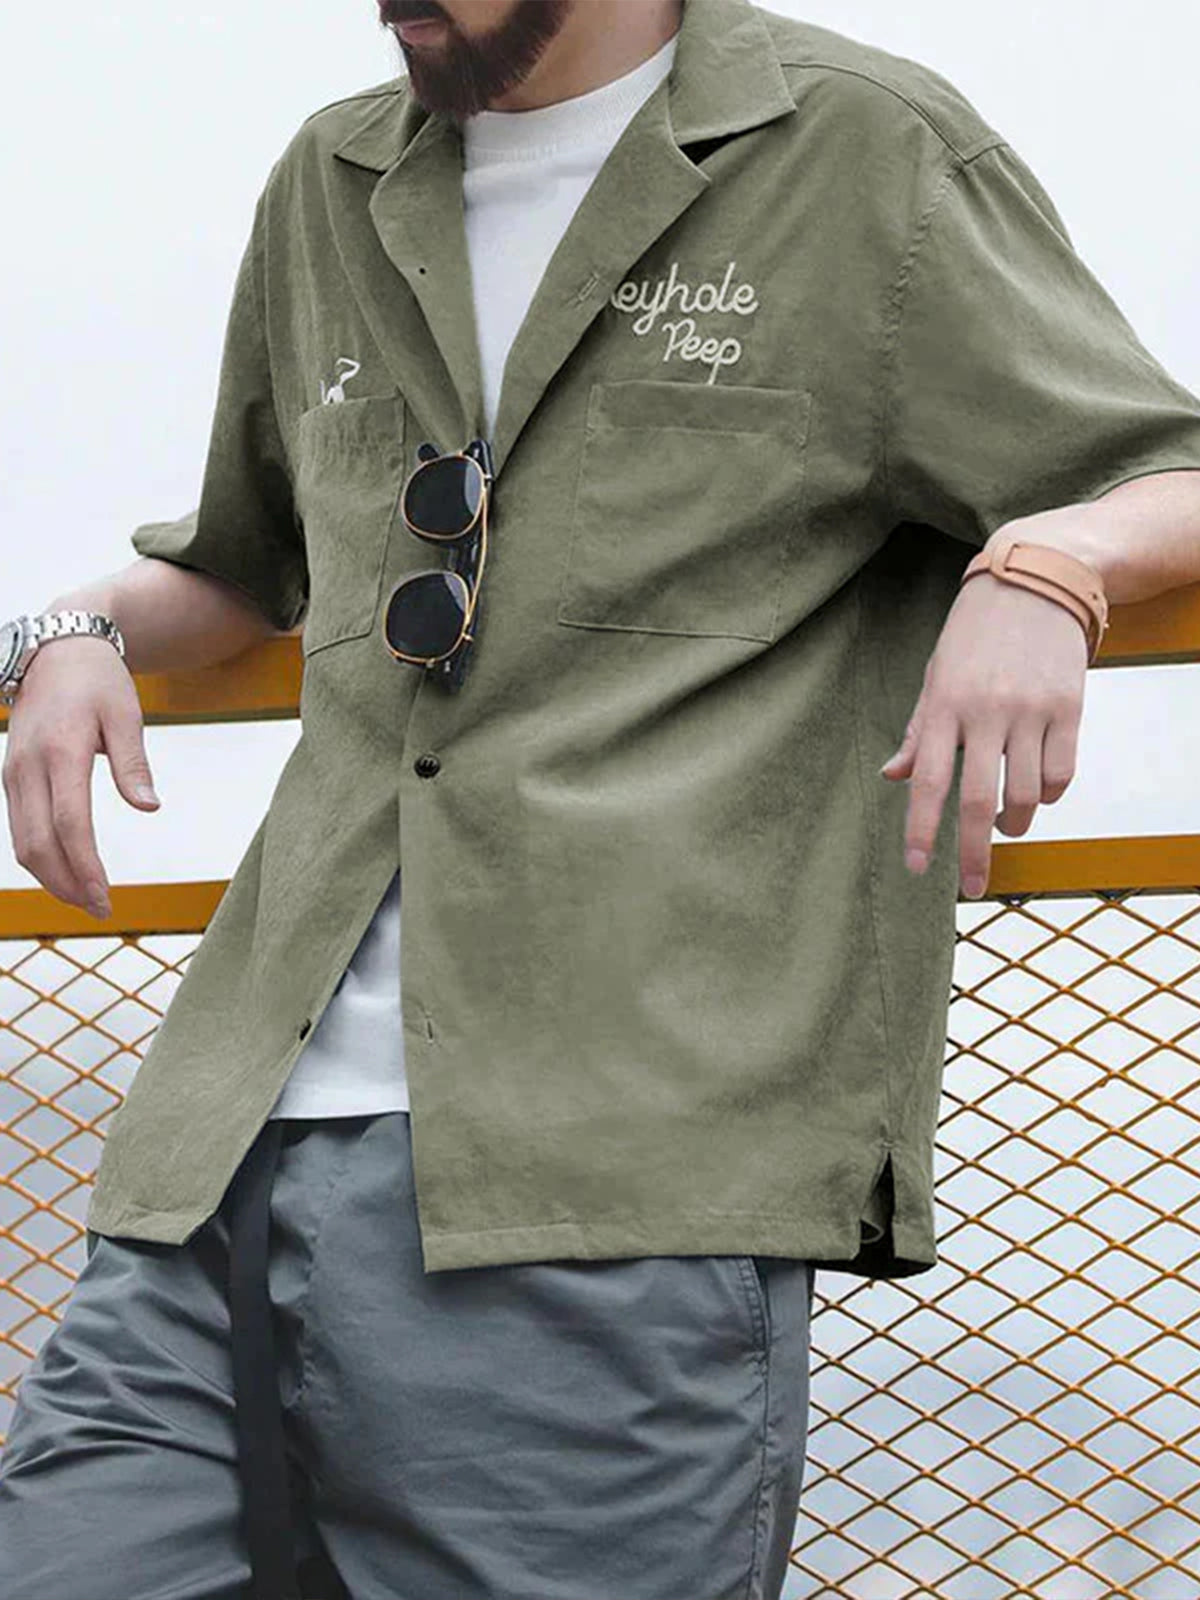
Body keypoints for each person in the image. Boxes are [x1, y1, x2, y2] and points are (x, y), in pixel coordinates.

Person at [2, 0, 1200, 1596]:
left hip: (600, 1191)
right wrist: (74, 633)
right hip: (211, 1164)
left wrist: (1050, 568)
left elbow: (1159, 467)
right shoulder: (330, 177)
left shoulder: (865, 153)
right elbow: (244, 561)